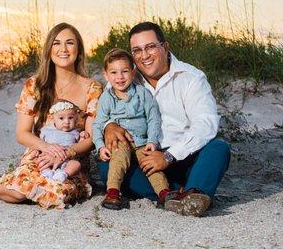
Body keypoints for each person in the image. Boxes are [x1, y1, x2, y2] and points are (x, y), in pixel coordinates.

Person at [0, 22, 103, 209]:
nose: (63, 49)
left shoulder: (92, 88)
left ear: (79, 49)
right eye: (56, 43)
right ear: (49, 49)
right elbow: (22, 133)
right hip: (40, 154)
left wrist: (64, 153)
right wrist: (48, 149)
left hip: (72, 162)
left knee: (56, 195)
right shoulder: (34, 85)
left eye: (69, 43)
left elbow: (91, 138)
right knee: (23, 189)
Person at [98, 22, 231, 217]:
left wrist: (168, 157)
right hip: (144, 158)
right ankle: (175, 195)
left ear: (165, 47)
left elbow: (206, 124)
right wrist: (109, 126)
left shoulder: (191, 78)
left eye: (150, 47)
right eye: (137, 50)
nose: (144, 56)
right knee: (106, 166)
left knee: (219, 149)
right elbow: (106, 109)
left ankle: (195, 192)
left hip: (184, 155)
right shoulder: (126, 76)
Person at [93, 48, 169, 210]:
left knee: (150, 164)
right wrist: (100, 146)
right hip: (122, 142)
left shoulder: (143, 93)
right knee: (117, 161)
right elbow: (98, 123)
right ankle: (113, 193)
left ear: (133, 73)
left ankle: (164, 194)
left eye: (125, 71)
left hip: (142, 141)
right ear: (106, 75)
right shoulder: (106, 98)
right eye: (113, 72)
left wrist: (152, 141)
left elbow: (153, 118)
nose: (119, 77)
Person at [32, 99, 89, 182]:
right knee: (40, 162)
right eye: (61, 118)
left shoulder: (76, 132)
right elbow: (39, 143)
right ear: (53, 118)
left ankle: (63, 174)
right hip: (48, 158)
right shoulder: (46, 130)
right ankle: (47, 172)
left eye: (70, 118)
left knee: (76, 164)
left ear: (75, 118)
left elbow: (80, 146)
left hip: (68, 160)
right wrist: (35, 151)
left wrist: (83, 137)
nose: (66, 122)